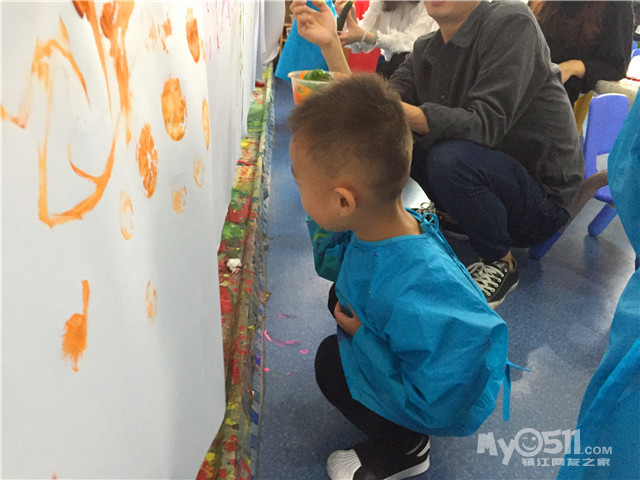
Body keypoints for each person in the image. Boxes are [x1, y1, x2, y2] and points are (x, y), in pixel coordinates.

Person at [291, 0, 584, 308]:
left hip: (540, 205)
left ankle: (500, 259)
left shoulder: (512, 21)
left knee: (448, 157)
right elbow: (378, 111)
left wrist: (389, 109)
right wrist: (331, 45)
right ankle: (455, 215)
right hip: (491, 180)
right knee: (402, 141)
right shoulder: (426, 47)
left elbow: (485, 125)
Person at [289, 73, 510, 480]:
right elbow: (336, 266)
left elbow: (444, 384)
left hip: (438, 395)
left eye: (300, 182)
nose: (298, 192)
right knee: (338, 296)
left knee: (330, 365)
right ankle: (391, 411)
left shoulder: (412, 285)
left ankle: (405, 446)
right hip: (407, 347)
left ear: (344, 201)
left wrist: (363, 338)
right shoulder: (381, 222)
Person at [530, 1, 634, 106]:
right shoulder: (544, 4)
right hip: (527, 83)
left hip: (553, 97)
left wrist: (573, 67)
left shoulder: (617, 5)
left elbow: (616, 67)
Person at [336, 0, 438, 78]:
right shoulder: (381, 3)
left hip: (421, 71)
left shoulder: (432, 4)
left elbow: (414, 44)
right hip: (390, 66)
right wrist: (350, 18)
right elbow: (361, 44)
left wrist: (366, 36)